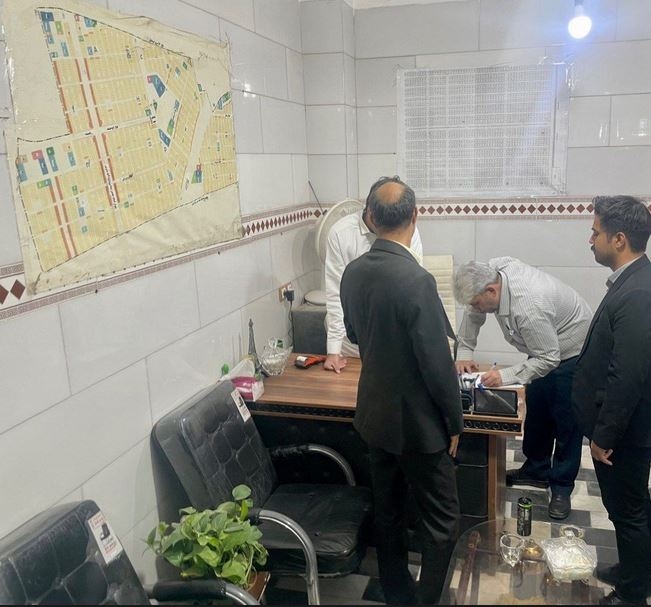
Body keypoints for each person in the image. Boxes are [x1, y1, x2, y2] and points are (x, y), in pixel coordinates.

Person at [340, 176, 463, 605]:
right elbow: (437, 366)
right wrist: (454, 421)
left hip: (374, 417)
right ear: (415, 215)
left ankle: (397, 592)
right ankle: (426, 600)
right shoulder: (417, 281)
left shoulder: (353, 273)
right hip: (420, 426)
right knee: (442, 521)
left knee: (388, 510)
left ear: (370, 219)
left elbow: (353, 336)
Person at [453, 258, 592, 520]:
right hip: (544, 346)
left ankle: (561, 486)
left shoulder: (528, 308)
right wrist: (464, 352)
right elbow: (474, 314)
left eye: (477, 302)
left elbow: (549, 358)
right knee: (537, 411)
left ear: (491, 291)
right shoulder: (492, 270)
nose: (476, 309)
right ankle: (536, 470)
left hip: (573, 351)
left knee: (567, 422)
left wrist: (504, 376)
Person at [571, 195, 651, 606]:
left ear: (619, 239)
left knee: (629, 510)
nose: (591, 240)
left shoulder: (637, 292)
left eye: (595, 232)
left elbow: (628, 375)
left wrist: (604, 436)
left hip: (626, 433)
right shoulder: (632, 280)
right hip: (624, 428)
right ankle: (637, 569)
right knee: (627, 508)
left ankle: (634, 593)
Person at [323, 177, 423, 373]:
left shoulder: (404, 227)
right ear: (371, 212)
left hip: (395, 339)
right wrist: (333, 350)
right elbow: (335, 294)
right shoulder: (340, 234)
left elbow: (413, 285)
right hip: (352, 343)